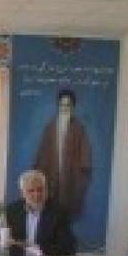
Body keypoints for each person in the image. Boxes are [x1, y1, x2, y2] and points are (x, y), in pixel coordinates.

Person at [34, 88, 92, 219]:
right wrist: (39, 175)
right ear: (58, 106)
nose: (64, 108)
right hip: (50, 179)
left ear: (73, 107)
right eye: (62, 105)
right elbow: (41, 154)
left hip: (71, 180)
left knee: (66, 216)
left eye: (68, 105)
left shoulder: (79, 128)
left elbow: (86, 157)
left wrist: (82, 178)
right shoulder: (49, 128)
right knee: (48, 216)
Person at [0, 169, 77, 256]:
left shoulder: (58, 213)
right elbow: (0, 240)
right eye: (31, 191)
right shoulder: (13, 210)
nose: (36, 195)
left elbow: (69, 247)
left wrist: (36, 248)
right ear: (22, 193)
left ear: (46, 190)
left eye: (40, 190)